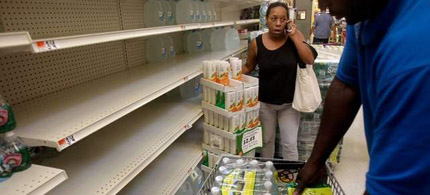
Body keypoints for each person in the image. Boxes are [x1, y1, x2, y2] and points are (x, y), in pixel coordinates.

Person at [295, 0, 430, 194]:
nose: (323, 5)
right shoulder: (363, 15)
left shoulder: (414, 58)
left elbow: (391, 189)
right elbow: (346, 86)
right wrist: (316, 161)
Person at [243, 2, 317, 160]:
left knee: (289, 144)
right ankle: (267, 173)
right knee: (267, 141)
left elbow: (309, 59)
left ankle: (291, 178)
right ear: (266, 19)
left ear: (288, 21)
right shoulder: (257, 43)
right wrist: (229, 77)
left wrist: (295, 37)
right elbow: (248, 67)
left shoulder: (295, 39)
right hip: (265, 103)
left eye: (283, 19)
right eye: (273, 18)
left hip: (289, 104)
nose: (278, 23)